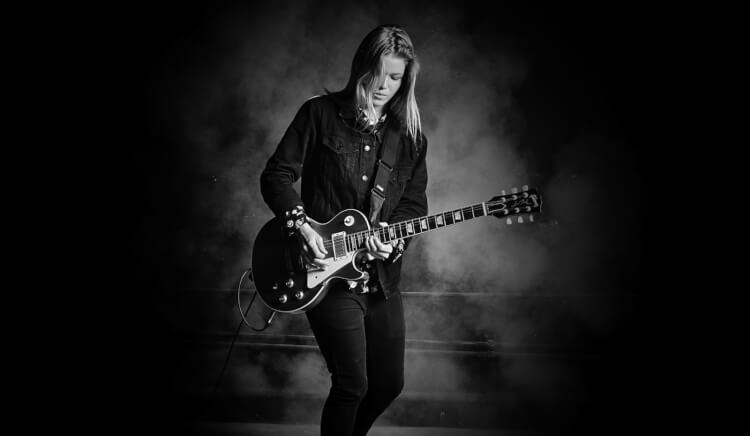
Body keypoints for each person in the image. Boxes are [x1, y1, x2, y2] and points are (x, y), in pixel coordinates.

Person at [260, 25, 428, 436]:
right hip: (325, 277)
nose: (384, 86)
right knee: (352, 384)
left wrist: (394, 241)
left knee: (389, 384)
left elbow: (413, 206)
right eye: (378, 74)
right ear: (361, 68)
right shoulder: (319, 113)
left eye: (395, 78)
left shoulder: (409, 137)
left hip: (379, 279)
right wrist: (301, 227)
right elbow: (276, 176)